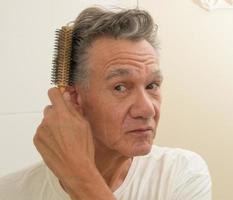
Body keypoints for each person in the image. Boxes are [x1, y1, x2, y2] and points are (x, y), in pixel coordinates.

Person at [0, 6, 212, 200]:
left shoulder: (181, 175)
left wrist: (80, 178)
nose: (147, 109)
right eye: (120, 87)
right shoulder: (10, 192)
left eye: (152, 85)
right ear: (74, 99)